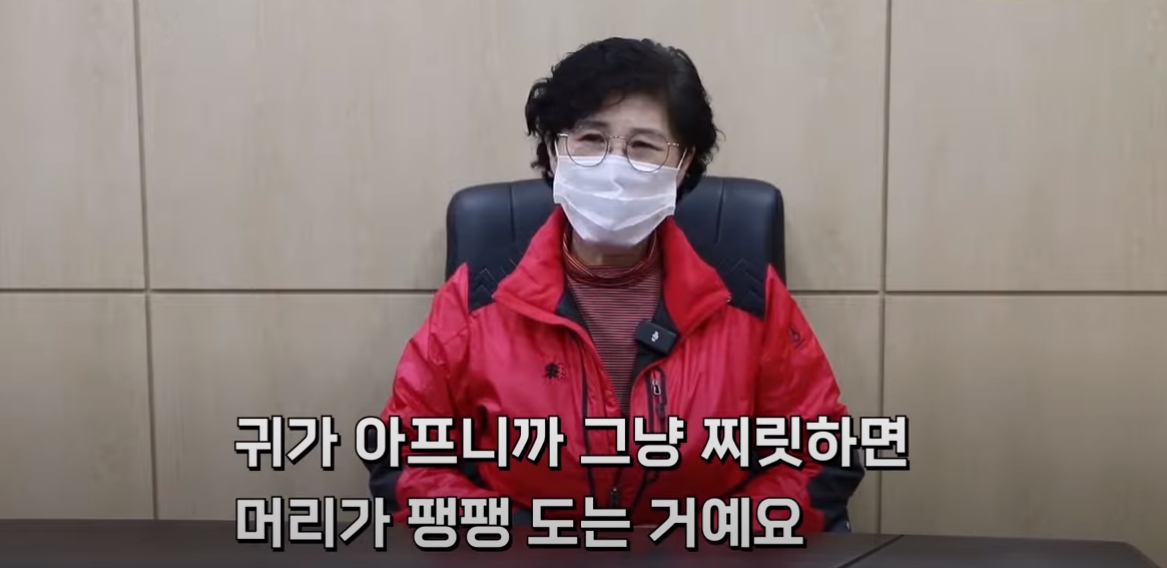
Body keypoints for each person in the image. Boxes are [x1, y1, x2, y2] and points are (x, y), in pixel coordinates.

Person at [365, 37, 864, 533]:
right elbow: (404, 459)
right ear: (554, 152)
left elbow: (822, 459)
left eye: (643, 146)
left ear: (683, 164)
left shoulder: (747, 297)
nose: (615, 167)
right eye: (590, 138)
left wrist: (709, 538)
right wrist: (520, 539)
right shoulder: (479, 298)